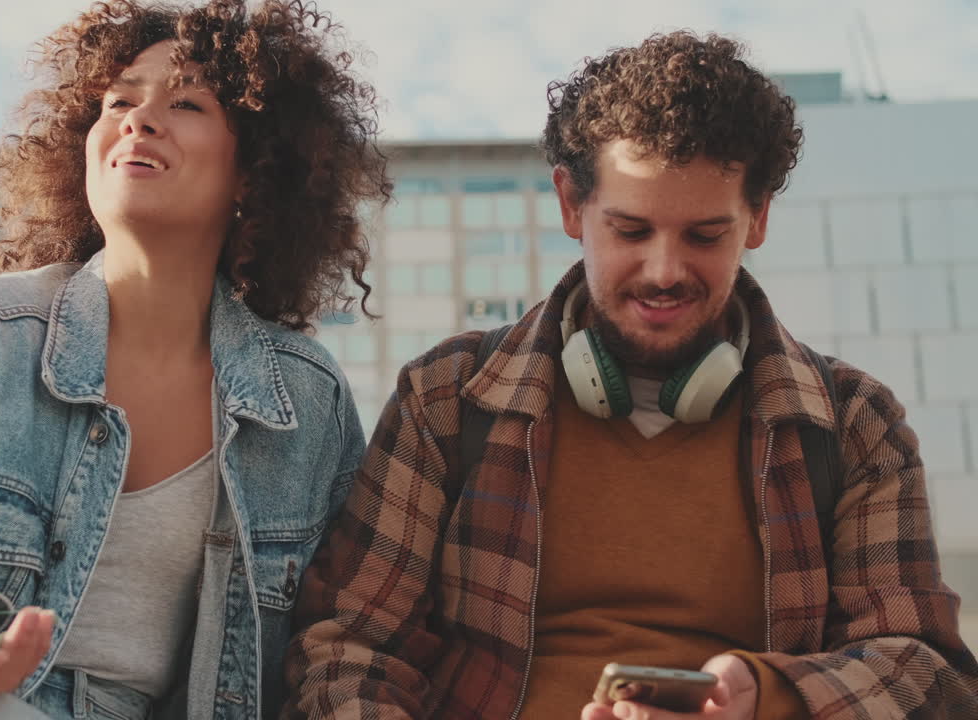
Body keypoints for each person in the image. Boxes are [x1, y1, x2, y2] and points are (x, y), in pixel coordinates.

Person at [284, 31, 978, 720]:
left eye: (705, 235)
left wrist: (771, 698)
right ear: (569, 205)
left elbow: (927, 669)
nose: (665, 271)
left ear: (758, 218)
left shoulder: (854, 425)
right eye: (631, 230)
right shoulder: (444, 399)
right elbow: (350, 650)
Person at [0, 1, 388, 718]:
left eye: (183, 103)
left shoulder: (306, 402)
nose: (138, 119)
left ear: (255, 168)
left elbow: (336, 639)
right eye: (119, 100)